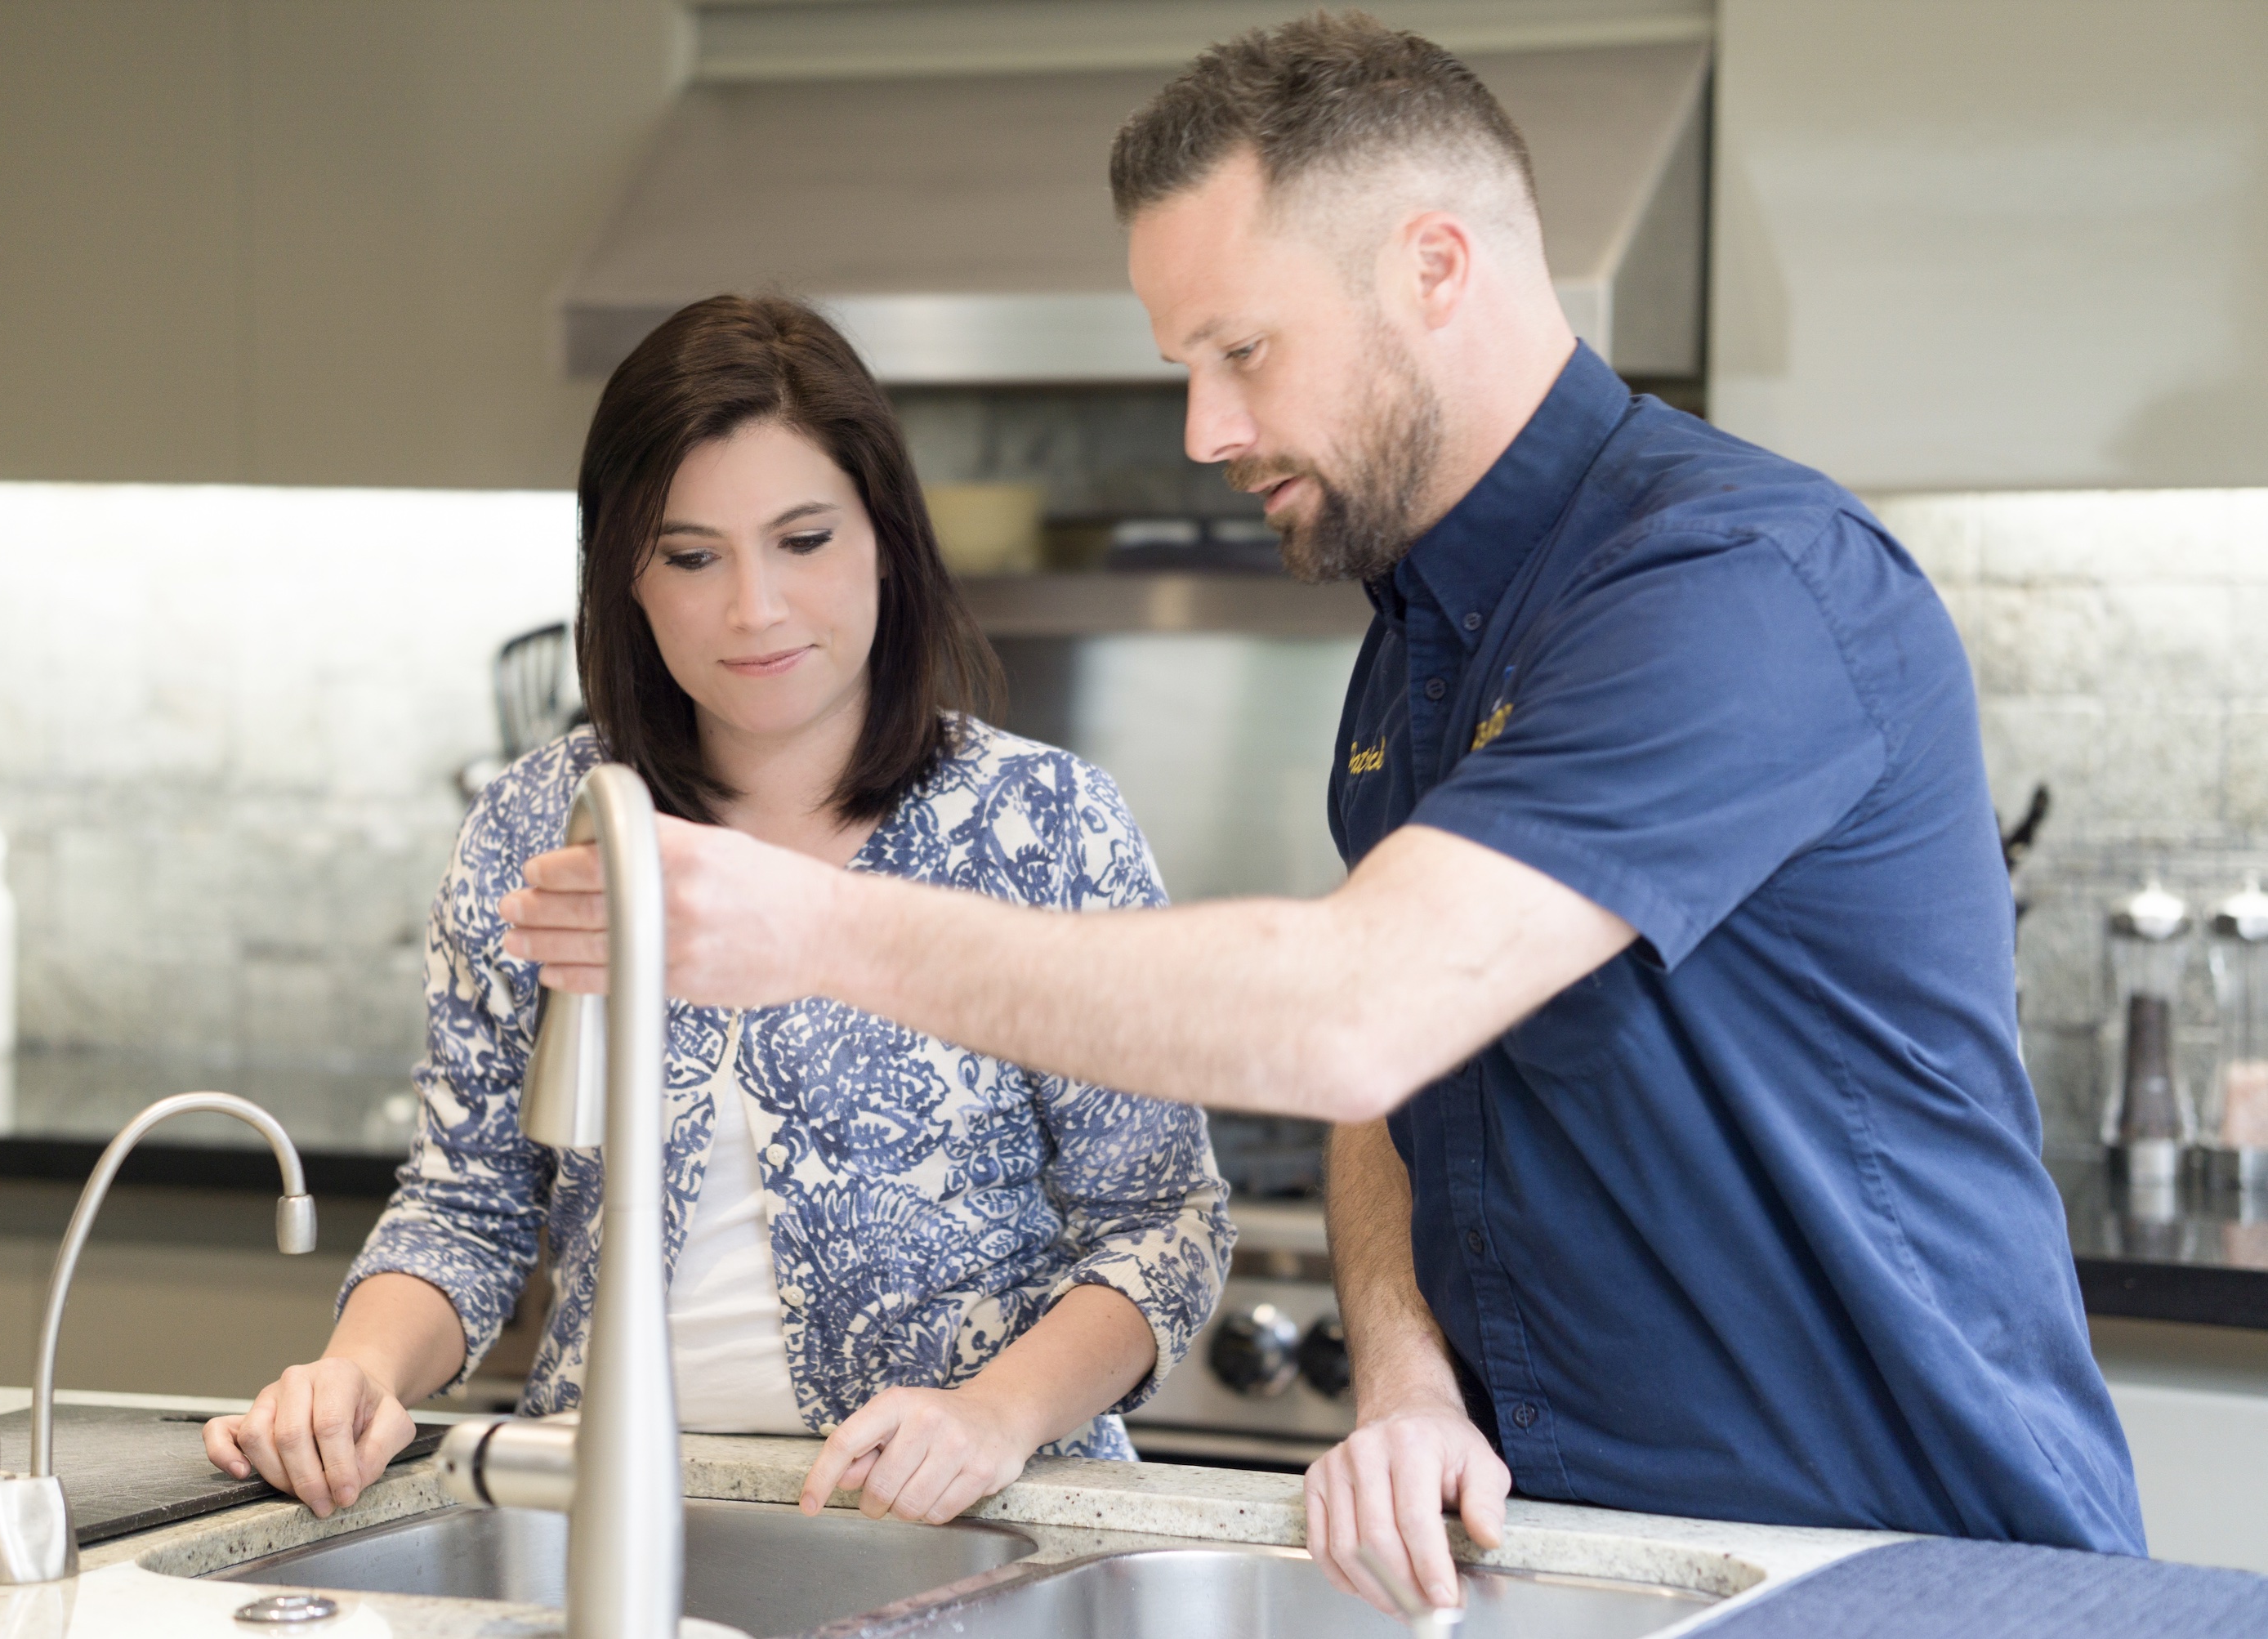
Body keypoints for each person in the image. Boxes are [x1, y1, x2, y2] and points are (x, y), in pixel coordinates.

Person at [507, 11, 2149, 1617]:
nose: (1204, 429)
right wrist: (1406, 1370)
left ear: (1434, 267)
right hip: (1579, 1552)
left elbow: (1348, 1019)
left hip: (1894, 1557)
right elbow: (1394, 1091)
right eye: (1184, 367)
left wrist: (812, 925)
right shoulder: (1413, 646)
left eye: (1242, 350)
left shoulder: (1729, 588)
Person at [203, 295, 1231, 1529]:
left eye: (803, 539)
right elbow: (468, 1205)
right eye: (692, 556)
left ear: (886, 540)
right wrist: (358, 1373)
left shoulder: (1044, 821)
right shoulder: (546, 825)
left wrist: (994, 1412)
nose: (754, 608)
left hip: (972, 1519)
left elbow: (1162, 1223)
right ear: (623, 577)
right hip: (607, 1514)